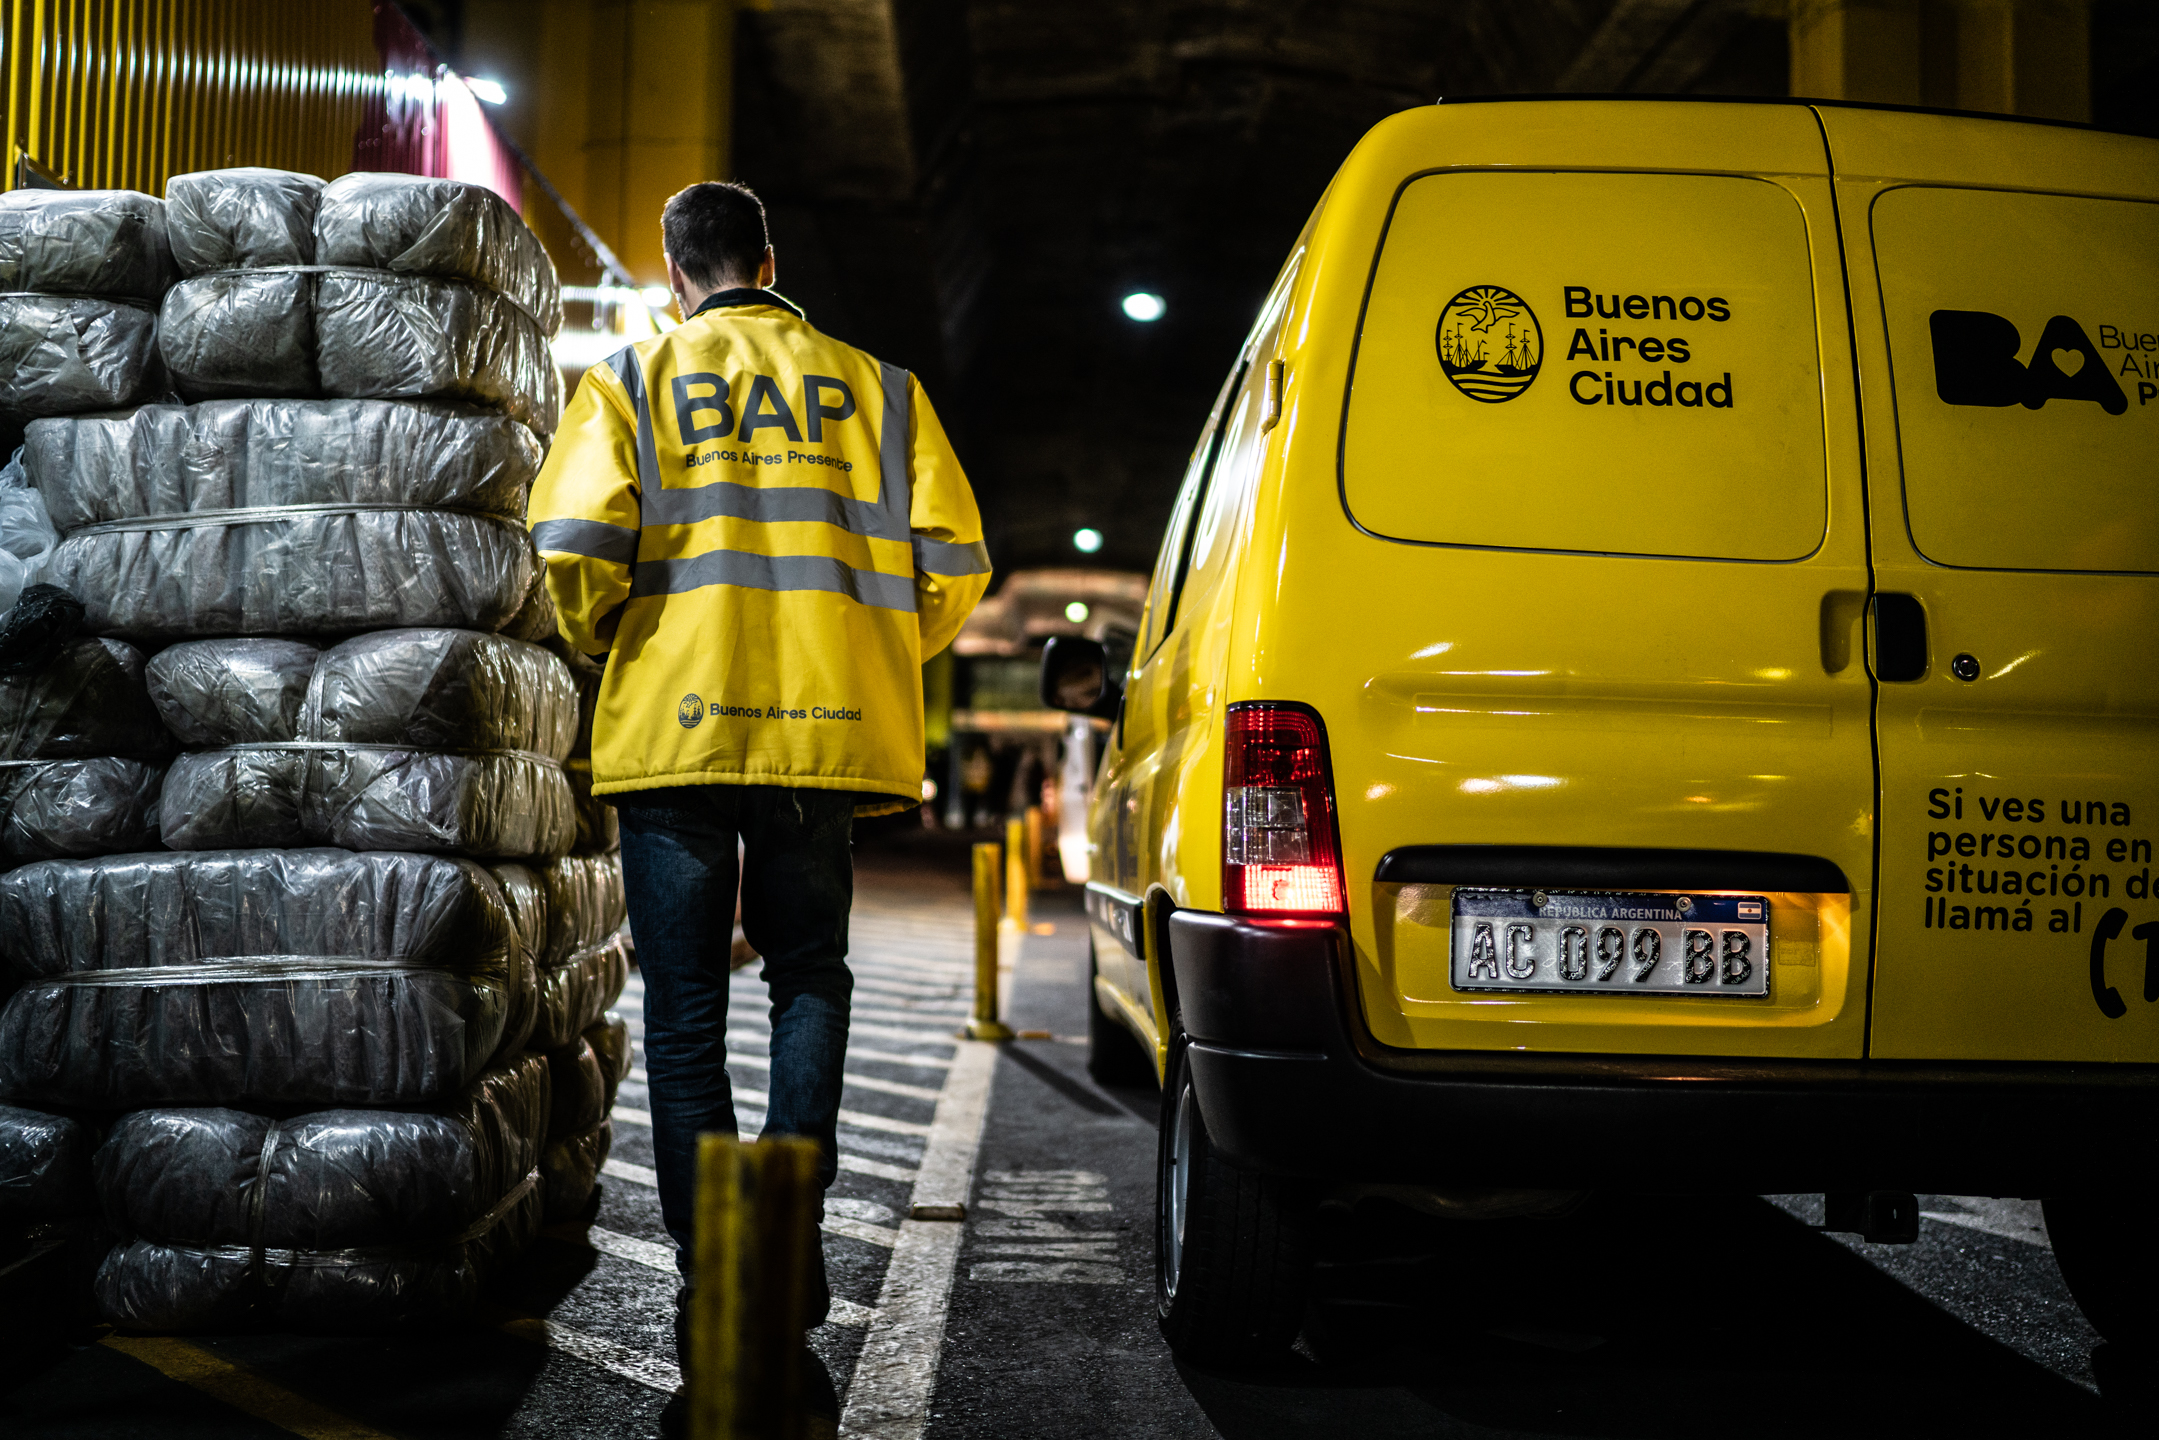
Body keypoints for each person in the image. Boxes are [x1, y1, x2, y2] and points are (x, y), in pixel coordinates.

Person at [526, 180, 990, 1383]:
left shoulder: (627, 383)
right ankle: (788, 1229)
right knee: (807, 977)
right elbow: (954, 562)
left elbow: (570, 550)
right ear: (769, 261)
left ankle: (715, 1263)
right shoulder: (882, 392)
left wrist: (617, 640)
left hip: (675, 732)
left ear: (675, 272)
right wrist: (865, 646)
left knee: (684, 1010)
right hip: (822, 734)